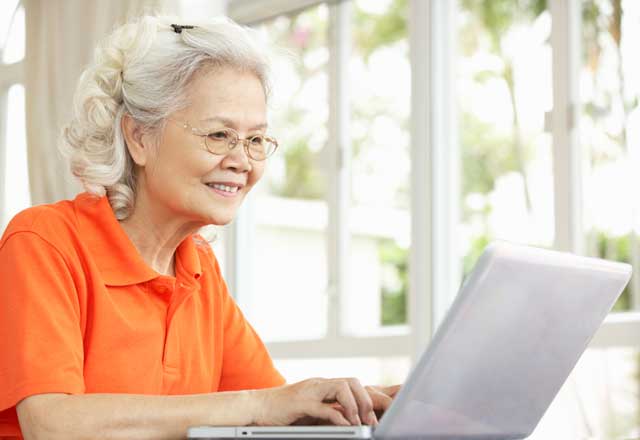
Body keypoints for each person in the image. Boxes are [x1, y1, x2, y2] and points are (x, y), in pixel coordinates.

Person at [0, 15, 400, 440]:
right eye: (219, 134)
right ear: (139, 137)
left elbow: (273, 407)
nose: (242, 160)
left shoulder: (198, 268)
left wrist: (358, 405)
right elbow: (51, 425)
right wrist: (260, 406)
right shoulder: (44, 242)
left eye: (256, 140)